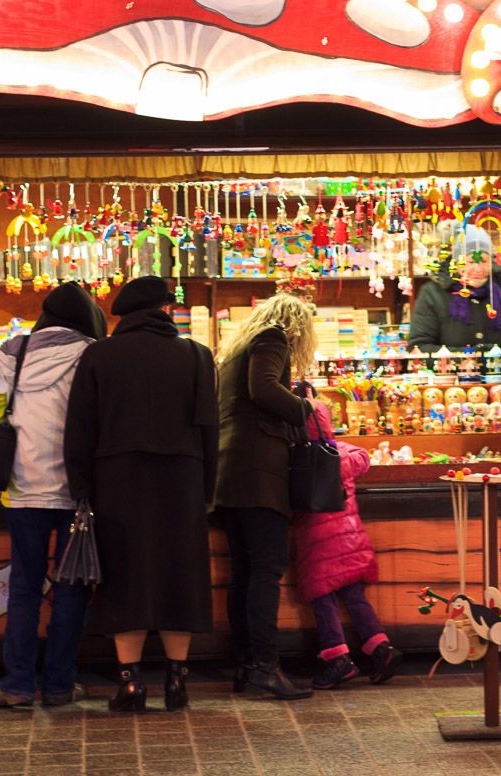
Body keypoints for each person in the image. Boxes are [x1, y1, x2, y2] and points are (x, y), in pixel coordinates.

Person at [64, 276, 218, 712]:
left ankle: (130, 685)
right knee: (179, 577)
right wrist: (206, 491)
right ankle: (177, 682)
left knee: (124, 579)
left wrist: (82, 488)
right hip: (182, 478)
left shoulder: (98, 355)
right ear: (167, 310)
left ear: (123, 315)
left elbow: (80, 430)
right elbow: (208, 430)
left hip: (116, 479)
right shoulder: (196, 356)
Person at [0, 282, 106, 708]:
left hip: (22, 488)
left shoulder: (17, 350)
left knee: (25, 587)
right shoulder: (94, 353)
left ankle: (16, 686)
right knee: (71, 589)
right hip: (77, 492)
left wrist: (9, 417)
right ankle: (60, 685)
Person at [214, 293, 316, 700]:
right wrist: (306, 408)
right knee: (265, 571)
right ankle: (266, 666)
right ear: (296, 325)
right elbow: (266, 390)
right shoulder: (274, 338)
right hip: (258, 474)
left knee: (243, 572)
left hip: (229, 472)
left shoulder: (238, 349)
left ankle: (245, 665)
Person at [292, 391, 402, 689]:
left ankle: (337, 659)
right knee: (355, 597)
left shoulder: (296, 460)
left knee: (323, 600)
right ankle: (381, 649)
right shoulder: (341, 453)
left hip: (318, 546)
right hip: (351, 540)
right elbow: (364, 458)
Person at [407, 225, 501, 353]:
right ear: (456, 262)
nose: (478, 268)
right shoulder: (434, 293)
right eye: (471, 262)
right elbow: (419, 346)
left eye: (484, 261)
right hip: (453, 371)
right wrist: (469, 356)